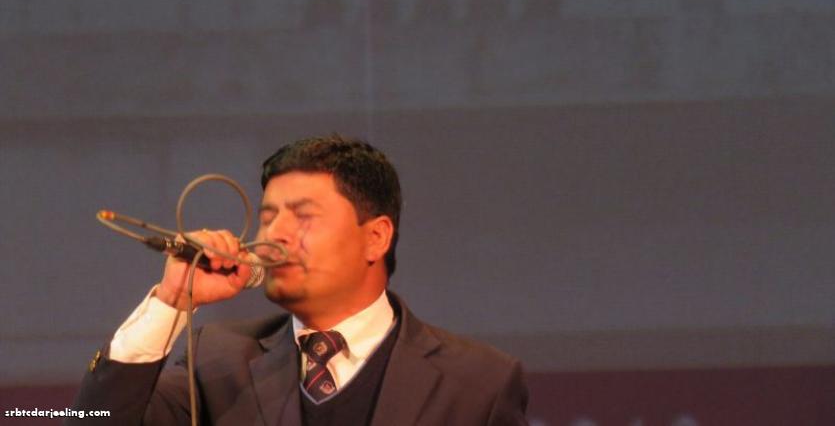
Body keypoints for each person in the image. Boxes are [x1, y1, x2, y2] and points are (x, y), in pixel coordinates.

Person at [70, 135, 529, 425]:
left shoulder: (478, 382)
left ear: (376, 238)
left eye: (304, 216)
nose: (276, 235)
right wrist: (173, 298)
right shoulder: (216, 362)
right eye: (268, 217)